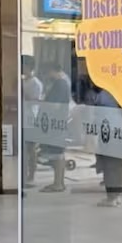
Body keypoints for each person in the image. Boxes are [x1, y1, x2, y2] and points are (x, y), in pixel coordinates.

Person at [40, 59, 72, 193]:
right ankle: (58, 182)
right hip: (58, 121)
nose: (47, 76)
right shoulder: (62, 82)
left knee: (57, 153)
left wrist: (42, 105)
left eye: (47, 73)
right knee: (57, 152)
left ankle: (58, 183)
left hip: (56, 122)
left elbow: (56, 105)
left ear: (52, 71)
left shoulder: (60, 84)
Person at [21, 55, 45, 187]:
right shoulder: (23, 81)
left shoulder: (36, 83)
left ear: (29, 67)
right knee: (24, 149)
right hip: (23, 117)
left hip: (31, 119)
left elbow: (35, 101)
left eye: (24, 66)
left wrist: (23, 94)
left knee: (31, 149)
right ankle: (24, 174)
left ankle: (31, 175)